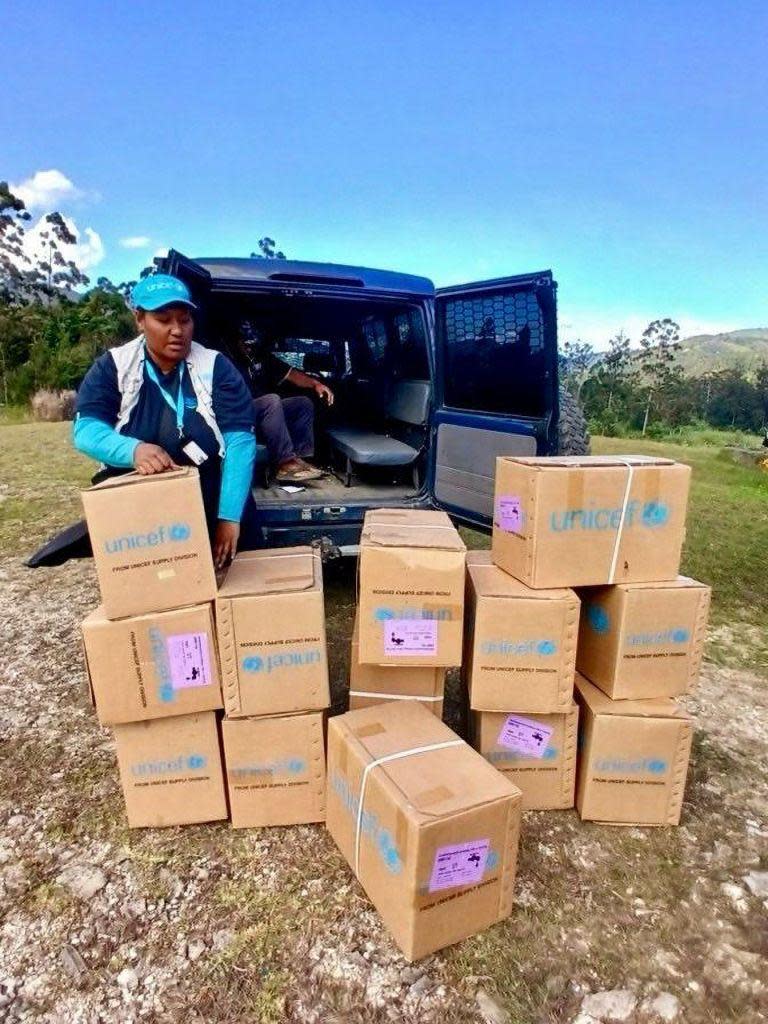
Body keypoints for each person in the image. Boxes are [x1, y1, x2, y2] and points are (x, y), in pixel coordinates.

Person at [73, 274, 257, 568]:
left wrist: (229, 517)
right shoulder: (114, 366)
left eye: (184, 320)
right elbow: (86, 430)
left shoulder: (216, 366)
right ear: (139, 319)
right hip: (145, 507)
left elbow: (240, 440)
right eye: (163, 319)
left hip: (212, 497)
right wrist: (133, 451)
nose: (177, 330)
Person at [237, 331, 334, 483]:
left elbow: (292, 375)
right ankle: (285, 464)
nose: (249, 347)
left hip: (264, 413)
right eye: (245, 343)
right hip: (239, 412)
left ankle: (300, 461)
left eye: (251, 344)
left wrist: (316, 384)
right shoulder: (227, 359)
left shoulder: (261, 357)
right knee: (272, 400)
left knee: (303, 403)